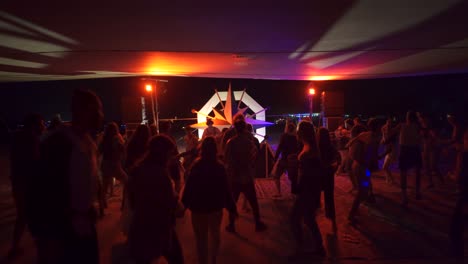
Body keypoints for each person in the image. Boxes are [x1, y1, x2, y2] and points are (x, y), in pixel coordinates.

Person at [28, 89, 103, 264]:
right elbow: (39, 191)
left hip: (84, 227)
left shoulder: (88, 142)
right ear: (83, 111)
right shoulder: (58, 144)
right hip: (62, 232)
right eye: (97, 110)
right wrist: (46, 238)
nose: (101, 116)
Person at [128, 135, 184, 264]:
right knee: (177, 259)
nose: (170, 158)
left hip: (140, 226)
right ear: (163, 154)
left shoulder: (137, 170)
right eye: (169, 154)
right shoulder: (161, 175)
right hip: (159, 228)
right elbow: (174, 206)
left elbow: (132, 202)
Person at [182, 137, 237, 264]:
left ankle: (203, 261)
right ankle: (213, 259)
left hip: (198, 208)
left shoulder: (196, 166)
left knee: (201, 239)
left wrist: (183, 206)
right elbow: (226, 189)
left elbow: (189, 187)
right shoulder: (220, 167)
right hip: (215, 207)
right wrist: (231, 207)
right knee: (215, 234)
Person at [8, 114, 45, 259]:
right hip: (27, 183)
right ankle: (40, 245)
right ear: (34, 125)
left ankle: (16, 246)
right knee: (29, 215)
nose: (43, 126)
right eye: (41, 123)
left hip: (18, 182)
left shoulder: (19, 137)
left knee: (23, 215)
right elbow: (35, 164)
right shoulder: (31, 139)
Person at [290, 120, 326, 259]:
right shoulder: (309, 148)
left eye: (298, 130)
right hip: (310, 192)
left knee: (294, 219)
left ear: (302, 133)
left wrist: (298, 187)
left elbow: (308, 175)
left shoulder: (309, 152)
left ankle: (301, 248)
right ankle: (318, 247)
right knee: (309, 219)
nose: (297, 132)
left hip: (307, 192)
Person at [224, 118, 267, 233]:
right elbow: (254, 157)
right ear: (244, 129)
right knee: (253, 202)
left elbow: (227, 160)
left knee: (233, 202)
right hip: (247, 176)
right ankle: (258, 223)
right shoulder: (249, 143)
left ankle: (231, 224)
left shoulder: (230, 142)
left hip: (235, 177)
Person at [449, 129, 468, 258]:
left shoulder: (465, 156)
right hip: (464, 195)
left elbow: (460, 177)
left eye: (465, 139)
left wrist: (452, 175)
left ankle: (459, 256)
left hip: (465, 196)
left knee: (456, 229)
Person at [397, 111, 422, 206]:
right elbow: (422, 137)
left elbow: (391, 132)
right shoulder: (418, 126)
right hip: (415, 149)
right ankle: (417, 192)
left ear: (407, 117)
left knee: (403, 173)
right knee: (417, 172)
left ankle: (404, 197)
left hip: (405, 149)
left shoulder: (401, 125)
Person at [317, 127, 339, 232]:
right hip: (328, 173)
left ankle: (315, 214)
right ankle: (332, 218)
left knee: (315, 195)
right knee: (329, 196)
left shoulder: (316, 147)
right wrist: (333, 167)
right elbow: (337, 159)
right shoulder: (331, 147)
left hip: (318, 174)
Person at [100, 122, 126, 200]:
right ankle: (126, 203)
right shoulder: (116, 138)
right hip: (114, 163)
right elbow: (122, 149)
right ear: (116, 129)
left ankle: (101, 208)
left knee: (104, 187)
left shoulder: (104, 138)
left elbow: (99, 150)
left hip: (105, 163)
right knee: (127, 181)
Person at [273, 122, 299, 196]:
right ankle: (293, 193)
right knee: (293, 178)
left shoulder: (284, 136)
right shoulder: (296, 138)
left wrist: (275, 158)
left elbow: (279, 148)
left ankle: (278, 192)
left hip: (284, 159)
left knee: (276, 176)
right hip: (292, 160)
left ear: (287, 129)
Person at [381, 117, 397, 184]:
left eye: (389, 124)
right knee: (385, 167)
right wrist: (383, 133)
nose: (387, 126)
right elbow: (382, 142)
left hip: (391, 151)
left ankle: (391, 180)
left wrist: (383, 132)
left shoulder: (392, 133)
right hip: (389, 151)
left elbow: (385, 141)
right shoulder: (388, 133)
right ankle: (389, 180)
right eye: (387, 123)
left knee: (385, 167)